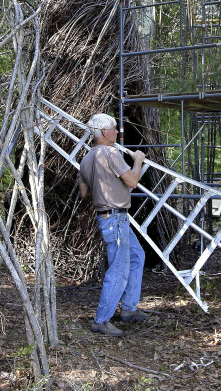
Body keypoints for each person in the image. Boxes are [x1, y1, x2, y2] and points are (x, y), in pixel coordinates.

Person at [77, 113, 148, 337]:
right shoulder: (109, 152)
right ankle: (101, 320)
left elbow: (84, 193)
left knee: (137, 256)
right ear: (105, 132)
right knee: (118, 269)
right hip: (115, 218)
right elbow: (132, 181)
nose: (117, 132)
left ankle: (128, 309)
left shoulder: (87, 158)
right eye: (115, 129)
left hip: (110, 217)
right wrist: (137, 161)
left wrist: (103, 183)